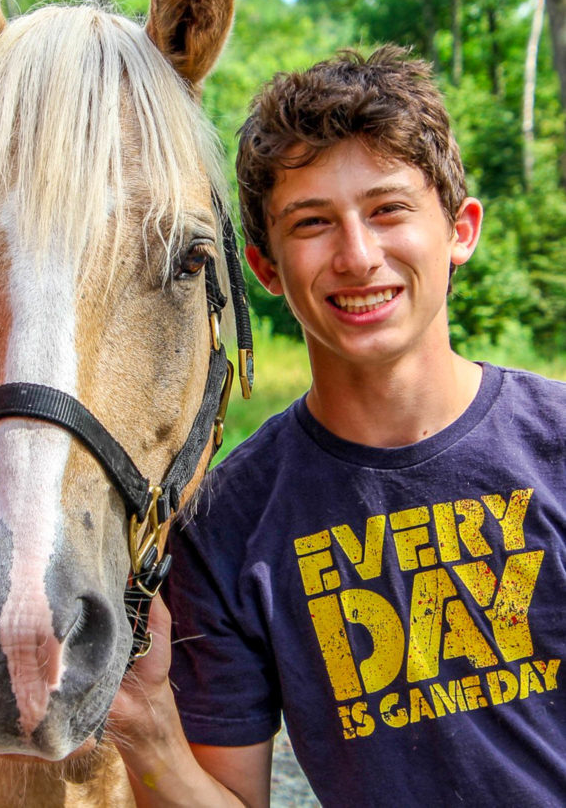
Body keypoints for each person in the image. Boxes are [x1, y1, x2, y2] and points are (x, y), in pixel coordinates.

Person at [110, 46, 566, 807]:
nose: (356, 256)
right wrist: (145, 731)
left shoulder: (555, 448)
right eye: (312, 223)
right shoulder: (225, 527)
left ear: (459, 230)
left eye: (387, 210)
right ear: (263, 267)